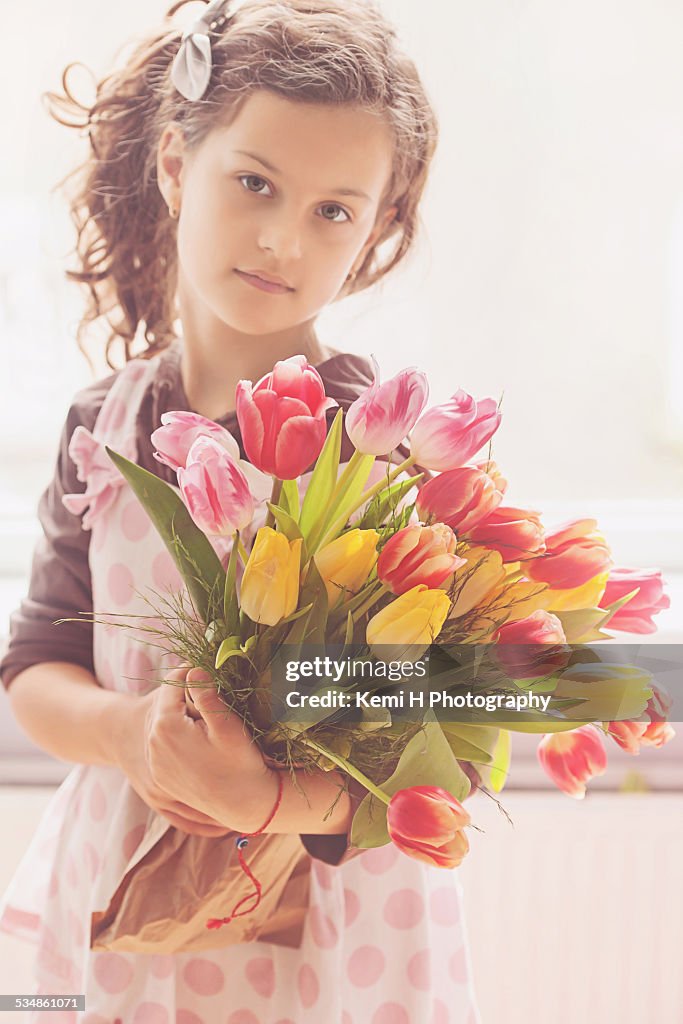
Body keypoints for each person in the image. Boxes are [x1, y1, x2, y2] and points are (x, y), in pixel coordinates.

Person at [0, 1, 481, 1020]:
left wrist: (259, 799)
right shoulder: (108, 424)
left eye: (333, 211)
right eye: (254, 181)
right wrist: (128, 731)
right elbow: (37, 664)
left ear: (377, 227)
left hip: (332, 926)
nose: (280, 238)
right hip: (126, 889)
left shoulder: (383, 442)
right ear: (177, 167)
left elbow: (446, 744)